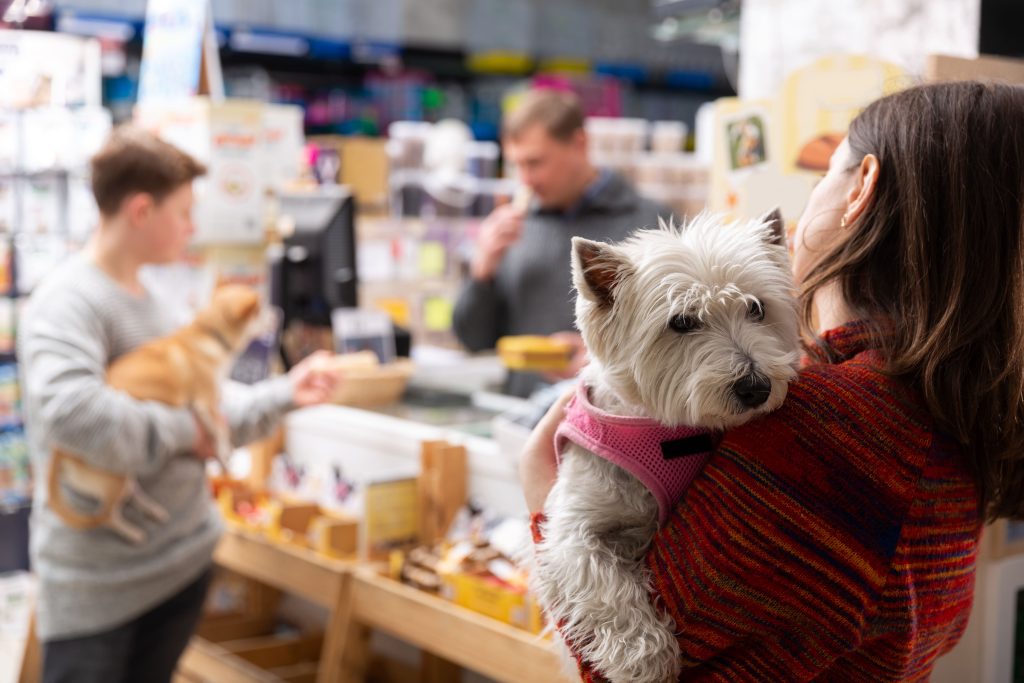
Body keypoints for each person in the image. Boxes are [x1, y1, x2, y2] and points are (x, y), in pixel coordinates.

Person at [520, 80, 1024, 681]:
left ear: (860, 189)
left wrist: (537, 484)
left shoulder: (831, 426)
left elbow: (631, 670)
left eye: (821, 179)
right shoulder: (945, 396)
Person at [19, 126, 341, 683]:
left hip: (177, 564)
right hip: (101, 587)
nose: (192, 228)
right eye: (184, 212)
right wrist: (185, 433)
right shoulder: (67, 302)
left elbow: (204, 414)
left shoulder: (154, 297)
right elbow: (72, 414)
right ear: (142, 210)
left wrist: (287, 394)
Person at [452, 89, 668, 397]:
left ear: (579, 144)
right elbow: (474, 339)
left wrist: (598, 355)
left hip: (610, 418)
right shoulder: (514, 228)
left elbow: (677, 340)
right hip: (524, 414)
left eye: (535, 163)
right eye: (517, 165)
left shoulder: (648, 221)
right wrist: (481, 272)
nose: (525, 179)